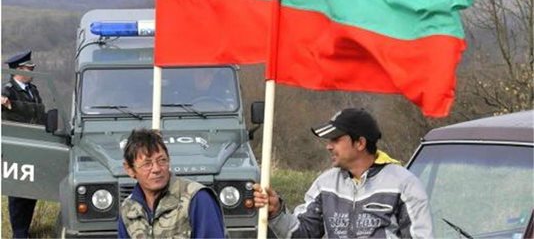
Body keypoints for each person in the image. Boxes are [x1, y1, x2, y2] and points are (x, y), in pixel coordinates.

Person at [253, 107, 434, 238]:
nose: (329, 146)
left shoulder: (404, 184)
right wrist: (276, 212)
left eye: (336, 139)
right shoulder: (325, 183)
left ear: (360, 143)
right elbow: (302, 234)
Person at [118, 128, 226, 238]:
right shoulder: (128, 209)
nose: (156, 169)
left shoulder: (197, 198)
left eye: (162, 160)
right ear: (130, 170)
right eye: (147, 164)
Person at [1, 50, 46, 239]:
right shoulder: (8, 89)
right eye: (30, 68)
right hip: (18, 147)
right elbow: (4, 98)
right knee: (19, 190)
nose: (32, 70)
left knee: (32, 188)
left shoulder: (32, 90)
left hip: (34, 143)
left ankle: (25, 229)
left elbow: (39, 113)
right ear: (19, 69)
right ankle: (19, 233)